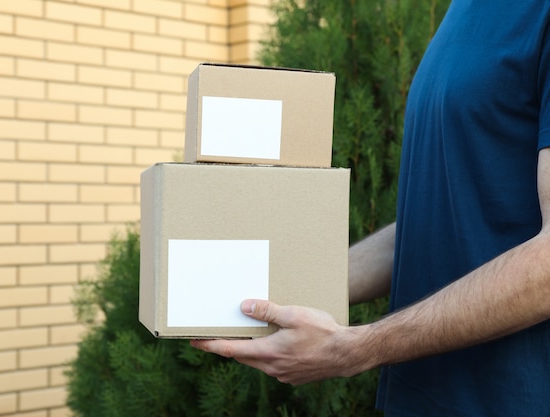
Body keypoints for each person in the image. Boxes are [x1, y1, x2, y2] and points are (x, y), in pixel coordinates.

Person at [191, 1, 550, 415]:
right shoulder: (463, 10)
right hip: (418, 398)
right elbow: (443, 221)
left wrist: (356, 348)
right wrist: (268, 288)